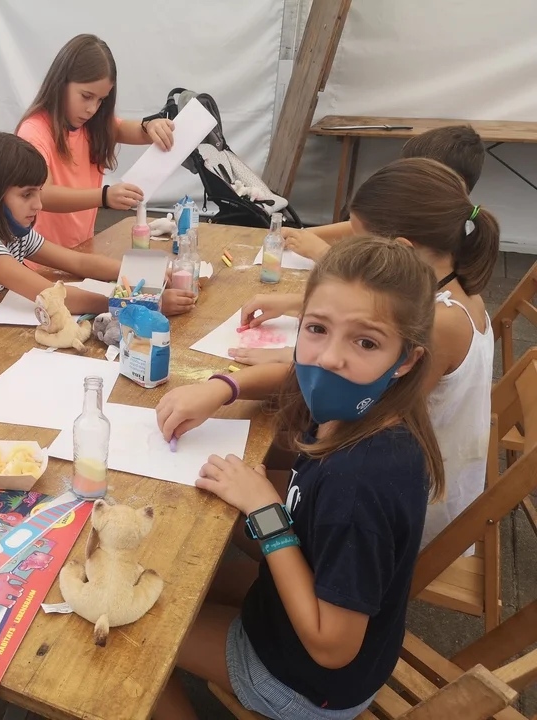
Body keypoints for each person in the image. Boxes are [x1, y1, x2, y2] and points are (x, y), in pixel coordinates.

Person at [153, 237, 444, 720]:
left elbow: (333, 647)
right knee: (176, 576)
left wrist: (265, 512)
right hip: (303, 613)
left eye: (366, 342)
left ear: (407, 360)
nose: (328, 358)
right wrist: (221, 387)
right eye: (317, 328)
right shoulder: (363, 411)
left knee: (139, 631)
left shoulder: (358, 483)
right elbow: (292, 373)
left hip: (308, 684)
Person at [233, 159, 498, 552]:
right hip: (409, 476)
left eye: (358, 241)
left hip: (412, 512)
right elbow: (374, 318)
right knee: (252, 462)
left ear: (399, 251)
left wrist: (272, 369)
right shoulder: (455, 291)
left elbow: (343, 393)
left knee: (233, 511)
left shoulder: (439, 325)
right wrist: (295, 306)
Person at [0, 133, 195, 326]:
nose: (38, 204)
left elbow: (78, 262)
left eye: (39, 192)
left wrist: (149, 273)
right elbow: (55, 297)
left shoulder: (13, 232)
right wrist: (139, 305)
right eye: (26, 195)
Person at [16, 34, 176, 253]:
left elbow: (126, 129)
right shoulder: (34, 132)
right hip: (40, 260)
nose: (92, 108)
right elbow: (44, 194)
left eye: (101, 100)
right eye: (86, 96)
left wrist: (150, 126)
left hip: (81, 251)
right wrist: (104, 196)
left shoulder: (92, 125)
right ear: (61, 83)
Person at [283, 124, 485, 261]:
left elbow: (379, 288)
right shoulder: (428, 214)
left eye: (410, 176)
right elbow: (362, 226)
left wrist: (323, 253)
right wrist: (303, 234)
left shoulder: (438, 248)